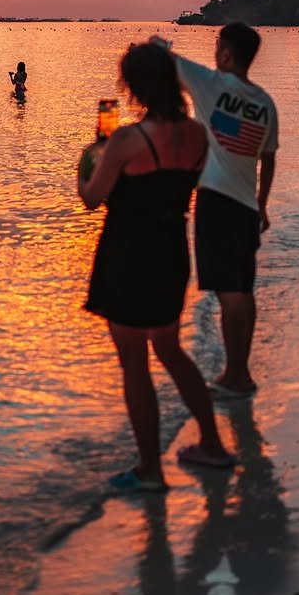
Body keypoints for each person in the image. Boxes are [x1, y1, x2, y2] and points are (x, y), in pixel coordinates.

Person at [78, 42, 235, 492]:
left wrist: (89, 159)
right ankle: (212, 444)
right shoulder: (199, 136)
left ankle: (150, 472)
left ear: (132, 86)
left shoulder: (128, 140)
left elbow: (91, 198)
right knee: (170, 349)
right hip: (170, 252)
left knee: (135, 363)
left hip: (127, 254)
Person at [154, 24, 278, 399]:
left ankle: (236, 376)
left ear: (226, 54)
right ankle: (242, 369)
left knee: (228, 292)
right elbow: (268, 159)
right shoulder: (264, 102)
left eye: (217, 47)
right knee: (243, 288)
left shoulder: (211, 84)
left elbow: (160, 56)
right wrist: (262, 204)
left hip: (217, 201)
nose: (214, 54)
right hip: (245, 205)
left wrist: (160, 43)